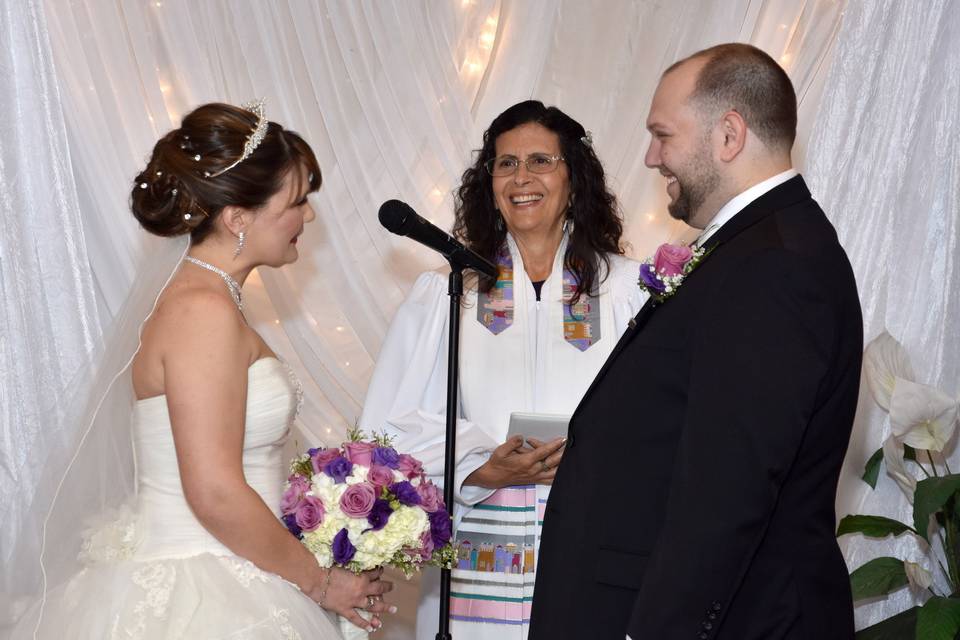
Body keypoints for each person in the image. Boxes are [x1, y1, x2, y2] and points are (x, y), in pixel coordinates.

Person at [11, 101, 393, 638]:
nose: (307, 216)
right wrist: (321, 583)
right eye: (297, 201)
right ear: (238, 216)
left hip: (237, 569)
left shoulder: (211, 300)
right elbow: (213, 490)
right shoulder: (202, 312)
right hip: (206, 590)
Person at [529, 43, 862, 640]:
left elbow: (727, 489)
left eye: (663, 134)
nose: (653, 157)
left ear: (728, 135)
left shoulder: (774, 265)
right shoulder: (748, 248)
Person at [360, 100, 646, 640]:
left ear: (574, 178)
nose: (522, 178)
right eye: (505, 163)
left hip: (594, 540)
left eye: (541, 160)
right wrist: (477, 466)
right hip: (473, 561)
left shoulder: (630, 292)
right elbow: (386, 431)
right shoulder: (447, 296)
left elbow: (666, 424)